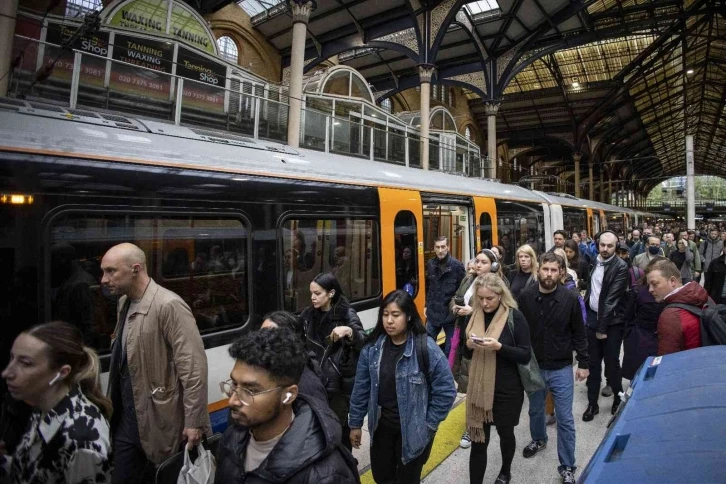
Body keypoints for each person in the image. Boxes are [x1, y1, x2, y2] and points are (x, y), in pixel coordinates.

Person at [102, 243, 210, 483]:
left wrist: (194, 422)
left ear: (136, 269)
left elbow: (193, 369)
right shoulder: (124, 303)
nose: (103, 279)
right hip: (126, 421)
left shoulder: (168, 306)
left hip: (160, 420)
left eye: (111, 271)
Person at [215, 327, 359, 483]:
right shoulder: (231, 439)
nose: (233, 401)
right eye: (234, 385)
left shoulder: (326, 475)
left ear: (289, 395)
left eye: (250, 391)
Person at [349, 290, 456, 483]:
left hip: (413, 431)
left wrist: (428, 425)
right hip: (381, 429)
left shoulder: (426, 348)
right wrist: (355, 423)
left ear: (408, 316)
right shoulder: (372, 349)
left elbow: (446, 391)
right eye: (385, 314)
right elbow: (361, 388)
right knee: (381, 477)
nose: (389, 320)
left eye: (395, 315)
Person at [1, 322, 112, 483]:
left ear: (61, 372)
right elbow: (32, 472)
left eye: (25, 363)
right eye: (12, 359)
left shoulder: (81, 441)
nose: (8, 372)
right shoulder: (43, 409)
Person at [518, 253, 589, 484]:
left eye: (553, 270)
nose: (548, 274)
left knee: (565, 418)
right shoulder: (526, 297)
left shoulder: (570, 298)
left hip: (561, 367)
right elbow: (520, 331)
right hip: (535, 366)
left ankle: (567, 465)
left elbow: (579, 332)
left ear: (561, 273)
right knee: (536, 410)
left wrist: (584, 364)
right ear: (539, 270)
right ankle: (539, 439)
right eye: (545, 269)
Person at [463, 273, 532, 484]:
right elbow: (465, 355)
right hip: (479, 389)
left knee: (505, 434)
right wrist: (469, 346)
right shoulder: (472, 315)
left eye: (489, 298)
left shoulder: (514, 317)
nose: (484, 303)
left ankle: (505, 471)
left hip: (506, 389)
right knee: (478, 442)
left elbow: (525, 353)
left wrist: (499, 347)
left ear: (501, 295)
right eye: (480, 298)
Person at [300, 272, 364, 451]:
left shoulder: (346, 313)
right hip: (316, 384)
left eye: (317, 293)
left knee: (339, 434)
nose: (312, 297)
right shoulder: (308, 316)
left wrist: (349, 332)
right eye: (311, 293)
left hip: (338, 386)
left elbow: (364, 342)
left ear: (331, 293)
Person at [451, 249, 503, 449]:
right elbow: (456, 298)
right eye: (477, 261)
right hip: (466, 336)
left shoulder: (497, 284)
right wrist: (455, 308)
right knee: (470, 384)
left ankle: (475, 426)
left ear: (494, 266)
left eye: (483, 262)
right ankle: (474, 423)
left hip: (484, 339)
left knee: (481, 384)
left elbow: (500, 311)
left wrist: (472, 310)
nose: (478, 265)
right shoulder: (468, 280)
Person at [583, 231, 629, 422]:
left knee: (611, 364)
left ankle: (618, 400)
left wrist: (601, 329)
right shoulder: (594, 261)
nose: (605, 249)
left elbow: (611, 300)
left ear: (616, 246)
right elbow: (591, 289)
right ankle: (592, 404)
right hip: (593, 319)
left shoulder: (621, 266)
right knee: (593, 364)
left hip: (611, 323)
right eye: (602, 245)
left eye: (610, 246)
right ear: (597, 244)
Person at [261, 311, 328, 405]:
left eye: (270, 337)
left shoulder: (307, 385)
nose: (261, 341)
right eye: (261, 335)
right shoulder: (273, 370)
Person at [646, 259, 710, 355]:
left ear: (672, 281)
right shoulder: (705, 298)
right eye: (649, 285)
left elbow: (667, 360)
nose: (650, 290)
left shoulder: (671, 316)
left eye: (654, 284)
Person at [621, 257, 665, 380]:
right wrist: (629, 334)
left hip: (659, 339)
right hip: (639, 338)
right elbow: (628, 315)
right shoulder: (638, 291)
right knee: (638, 374)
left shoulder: (667, 293)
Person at [425, 236, 466, 357]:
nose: (440, 250)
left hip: (450, 316)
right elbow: (430, 287)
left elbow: (462, 289)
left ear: (448, 247)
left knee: (450, 349)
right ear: (434, 248)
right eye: (437, 247)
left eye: (443, 247)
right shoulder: (431, 264)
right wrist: (426, 305)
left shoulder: (457, 266)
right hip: (433, 313)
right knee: (426, 345)